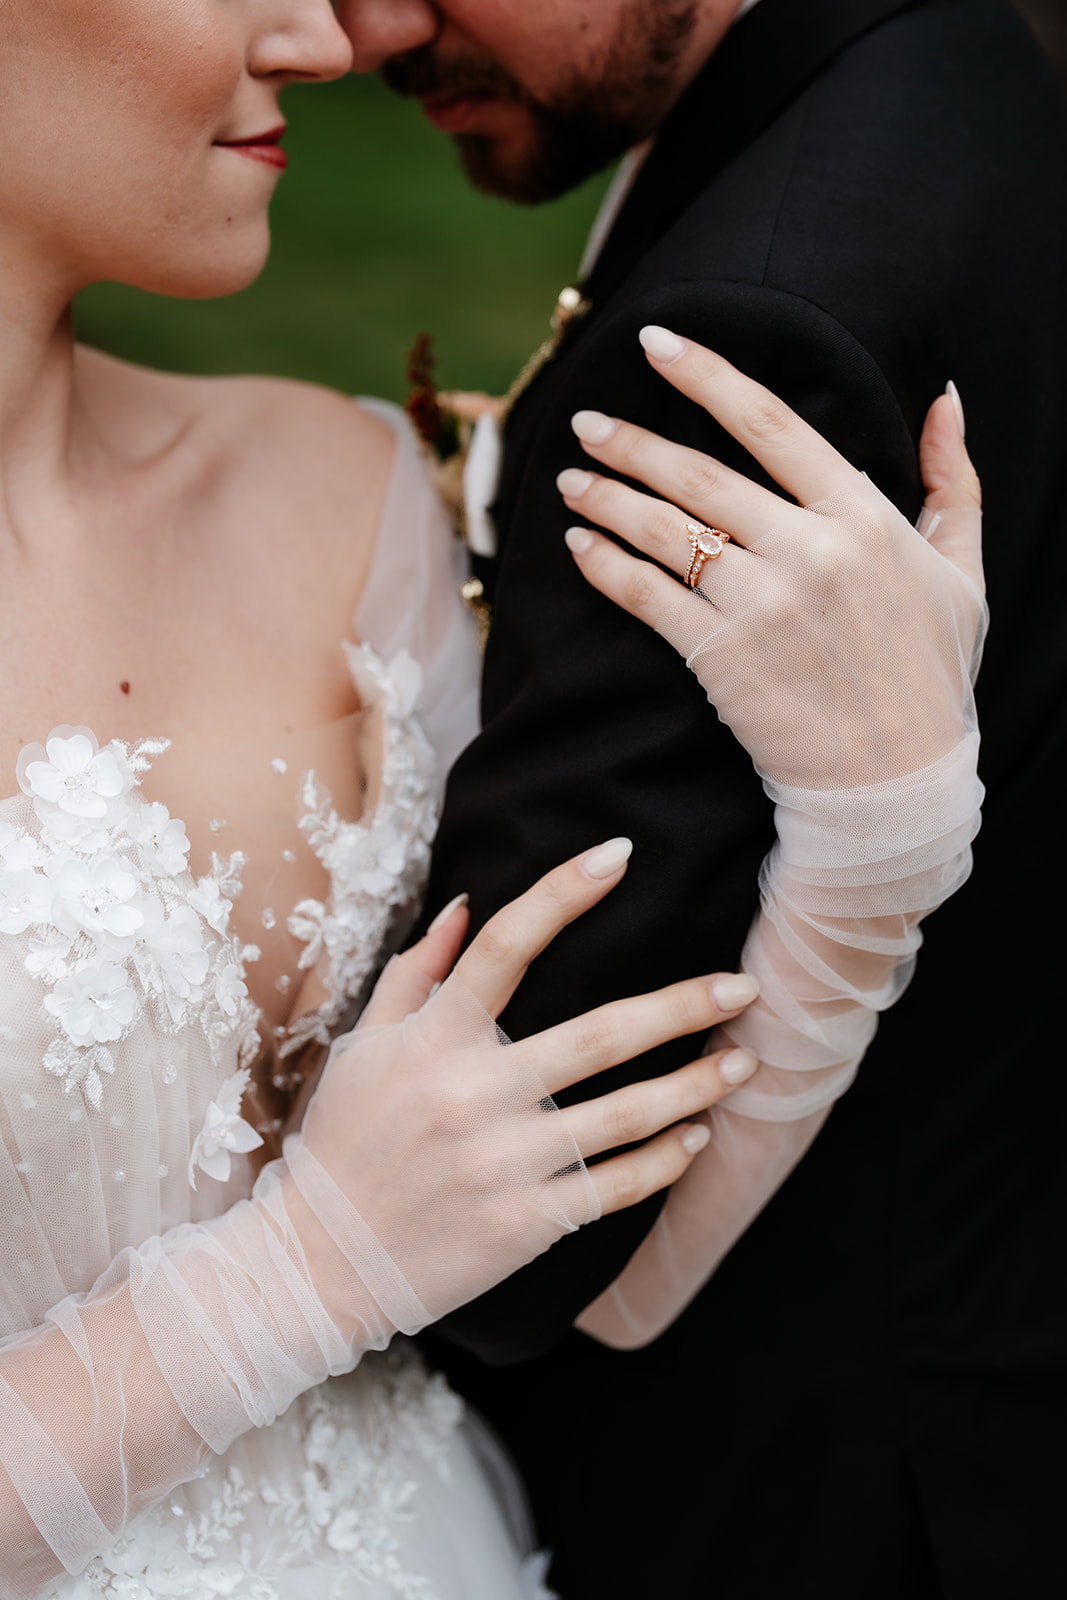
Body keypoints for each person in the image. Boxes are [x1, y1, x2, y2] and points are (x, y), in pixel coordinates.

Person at [337, 0, 1067, 1594]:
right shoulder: (953, 55)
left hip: (786, 1491)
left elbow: (533, 1238)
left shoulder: (738, 329)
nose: (369, 28)